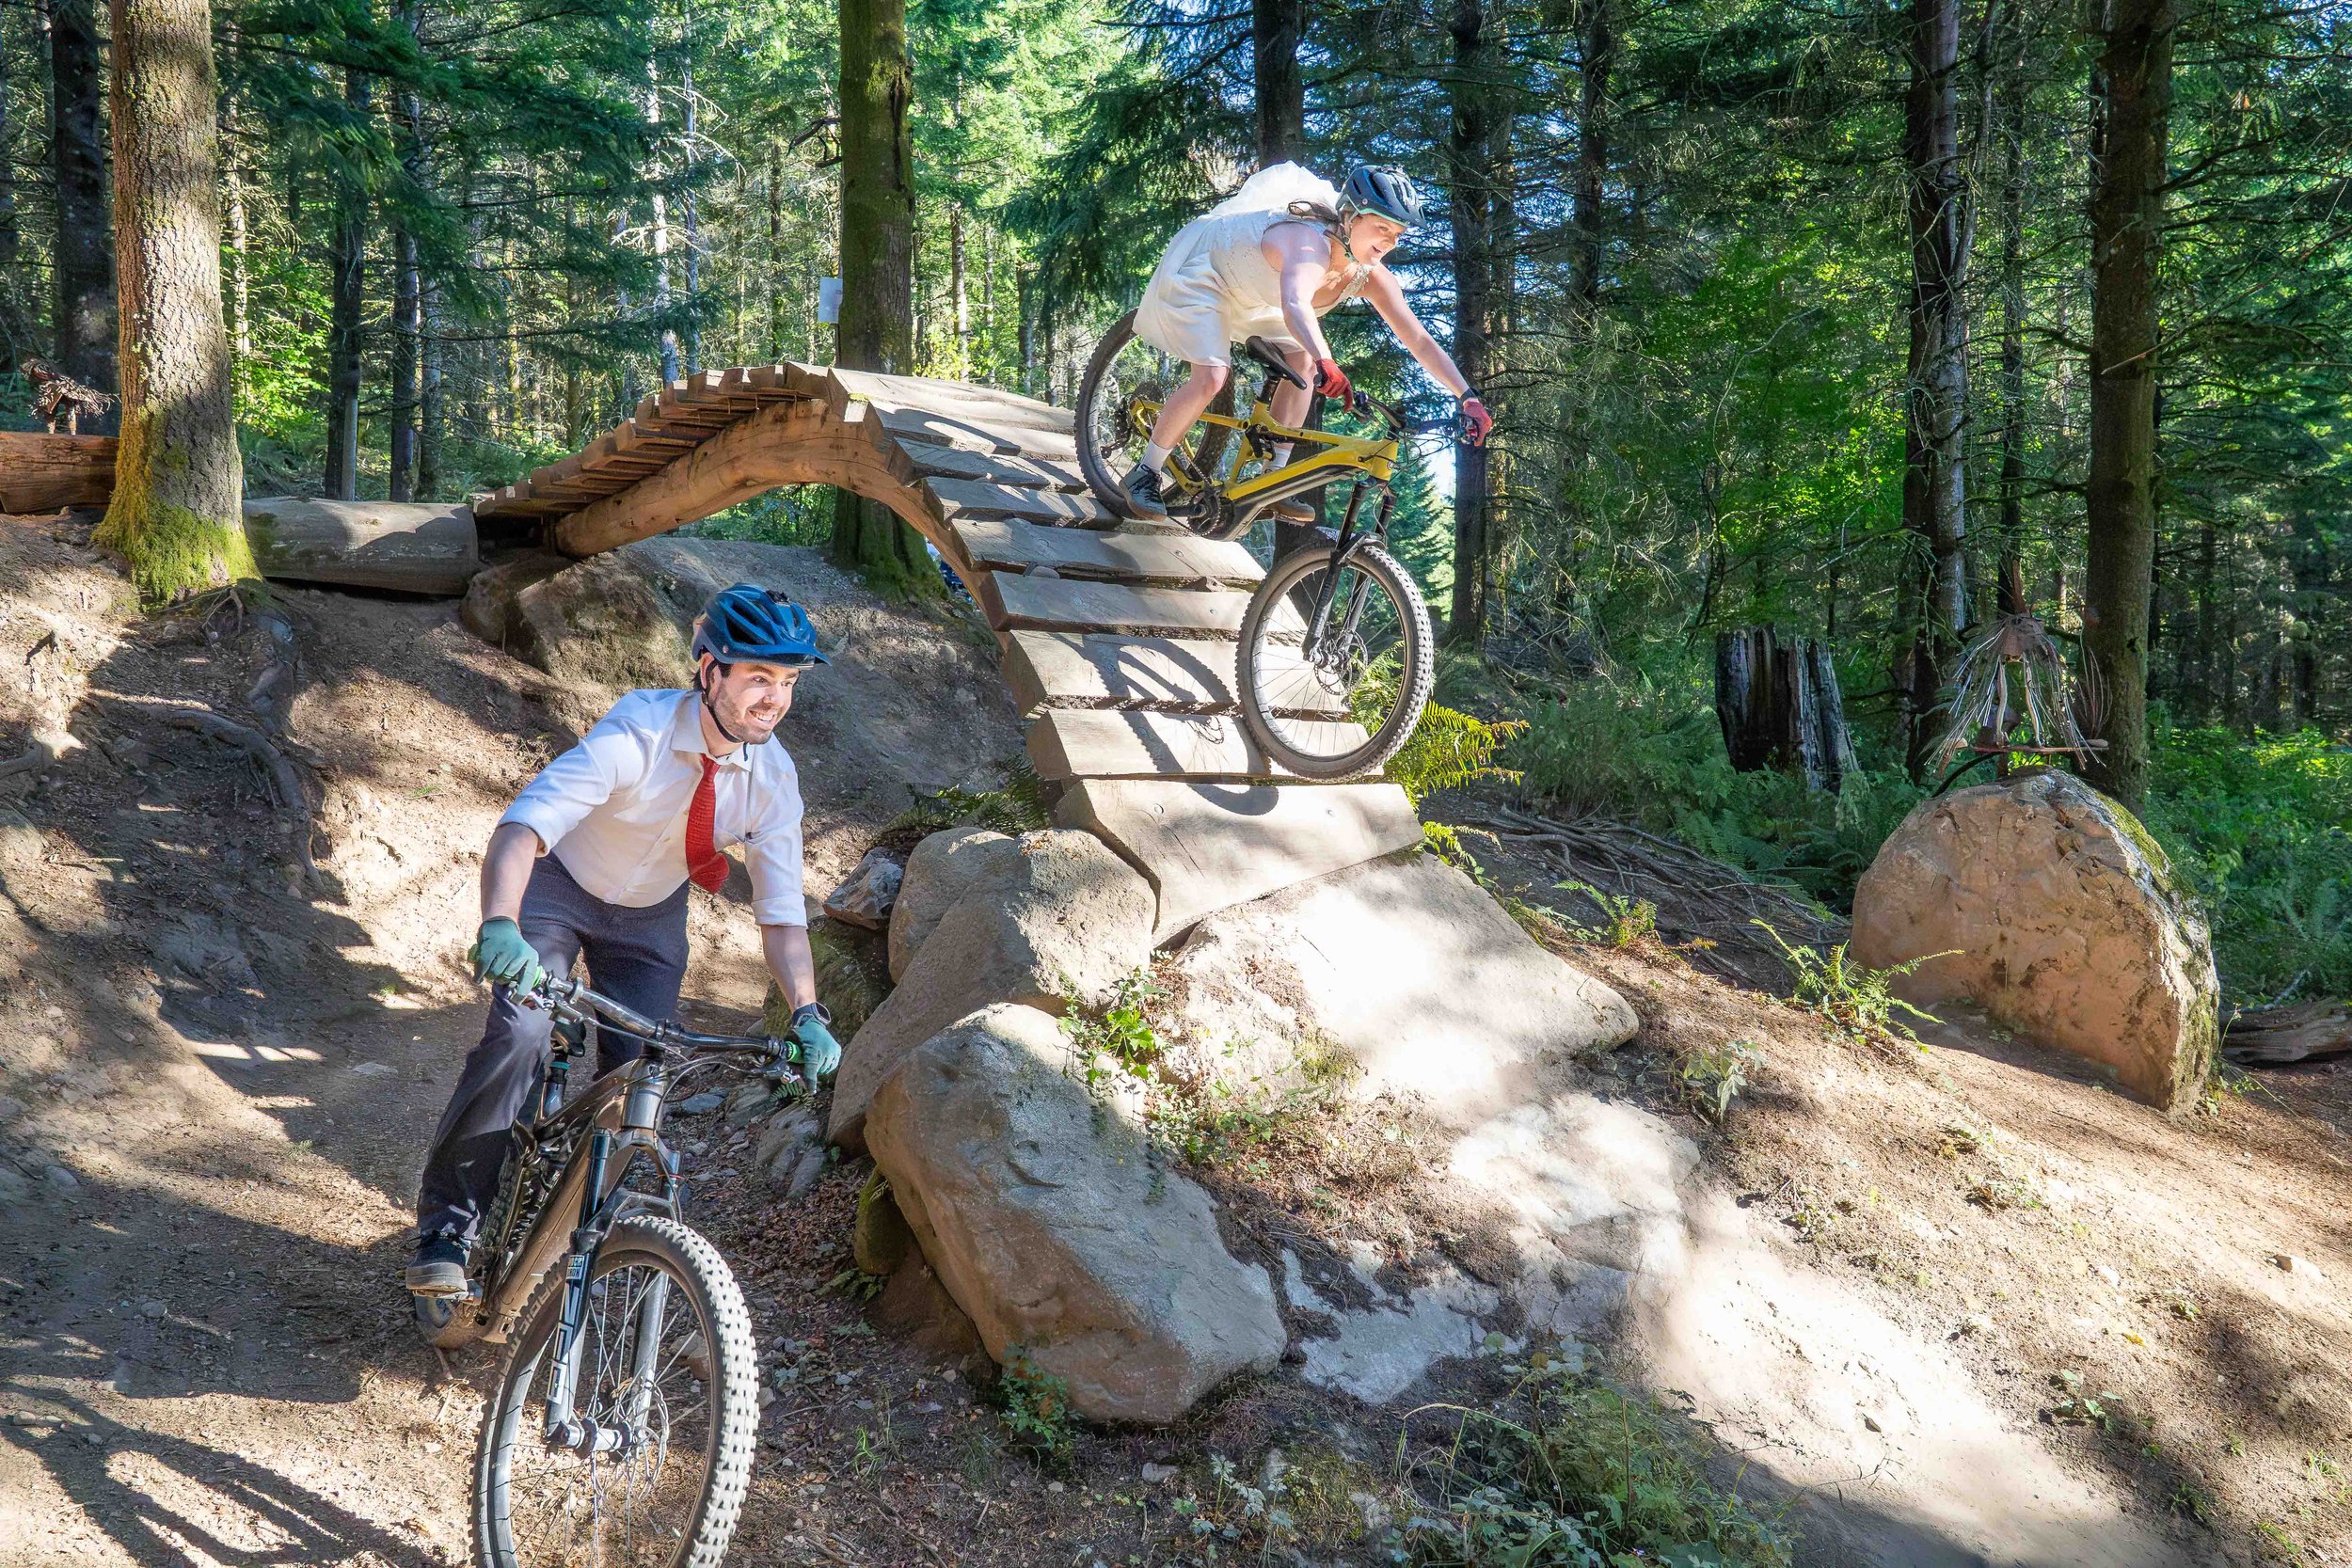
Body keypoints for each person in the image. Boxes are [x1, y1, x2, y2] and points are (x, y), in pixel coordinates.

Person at [405, 583, 843, 1316]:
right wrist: (500, 924)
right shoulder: (638, 729)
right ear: (709, 671)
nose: (776, 698)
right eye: (759, 677)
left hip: (649, 919)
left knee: (639, 1079)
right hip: (559, 888)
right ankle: (445, 1234)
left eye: (789, 682)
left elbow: (781, 916)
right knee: (520, 1034)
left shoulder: (773, 779)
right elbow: (524, 827)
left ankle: (588, 1254)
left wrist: (806, 1011)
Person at [1122, 163, 1494, 521]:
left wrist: (1467, 396)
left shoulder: (1371, 276)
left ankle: (1272, 480)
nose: (1389, 241)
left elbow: (1417, 338)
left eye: (1396, 235)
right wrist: (1327, 359)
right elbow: (1295, 303)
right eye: (1382, 227)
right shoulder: (1307, 241)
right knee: (1212, 377)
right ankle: (1146, 470)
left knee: (1301, 363)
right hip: (1209, 276)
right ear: (1350, 216)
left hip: (1261, 300)